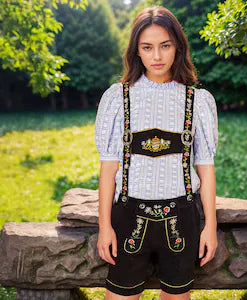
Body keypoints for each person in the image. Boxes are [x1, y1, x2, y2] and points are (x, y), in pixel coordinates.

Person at [94, 5, 218, 300]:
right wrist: (104, 227)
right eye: (147, 47)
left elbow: (206, 168)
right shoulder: (118, 98)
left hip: (182, 218)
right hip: (127, 218)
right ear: (136, 51)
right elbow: (108, 169)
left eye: (165, 46)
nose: (157, 56)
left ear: (178, 46)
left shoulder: (196, 100)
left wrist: (210, 226)